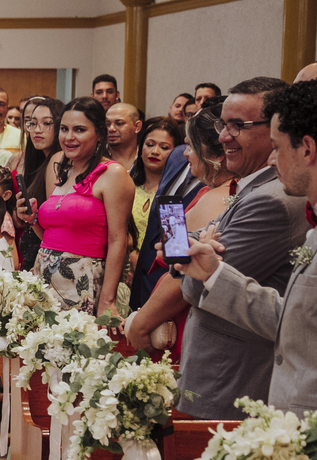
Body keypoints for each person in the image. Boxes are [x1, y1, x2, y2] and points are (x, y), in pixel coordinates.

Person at [168, 80, 317, 416]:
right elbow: (288, 315)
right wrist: (213, 272)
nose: (272, 161)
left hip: (266, 394)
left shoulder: (275, 200)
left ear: (307, 148)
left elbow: (191, 288)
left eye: (278, 147)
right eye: (223, 125)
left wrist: (202, 277)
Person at [125, 101, 230, 354]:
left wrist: (141, 323)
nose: (185, 154)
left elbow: (180, 275)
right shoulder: (206, 189)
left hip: (179, 309)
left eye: (191, 146)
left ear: (216, 154)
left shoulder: (214, 198)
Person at [17, 97, 135, 315]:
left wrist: (107, 300)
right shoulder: (59, 167)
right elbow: (49, 236)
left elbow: (118, 240)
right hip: (45, 277)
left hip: (83, 280)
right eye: (64, 129)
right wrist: (32, 219)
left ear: (99, 133)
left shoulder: (113, 174)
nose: (69, 137)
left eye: (79, 130)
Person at [129, 117, 184, 248]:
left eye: (164, 147)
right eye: (149, 144)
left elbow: (174, 243)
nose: (155, 152)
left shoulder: (174, 192)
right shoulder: (126, 184)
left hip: (157, 259)